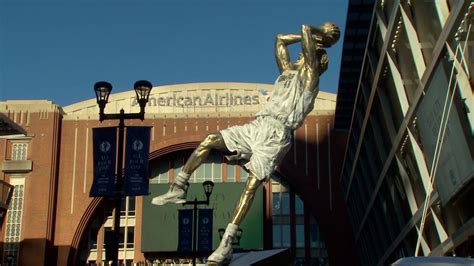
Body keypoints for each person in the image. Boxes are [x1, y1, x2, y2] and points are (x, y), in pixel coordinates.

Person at [152, 22, 340, 265]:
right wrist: (317, 36)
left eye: (313, 55)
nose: (307, 56)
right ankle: (179, 186)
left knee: (252, 184)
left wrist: (319, 35)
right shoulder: (287, 74)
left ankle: (227, 242)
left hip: (277, 134)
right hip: (258, 125)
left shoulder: (310, 79)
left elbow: (305, 31)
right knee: (210, 140)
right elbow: (280, 39)